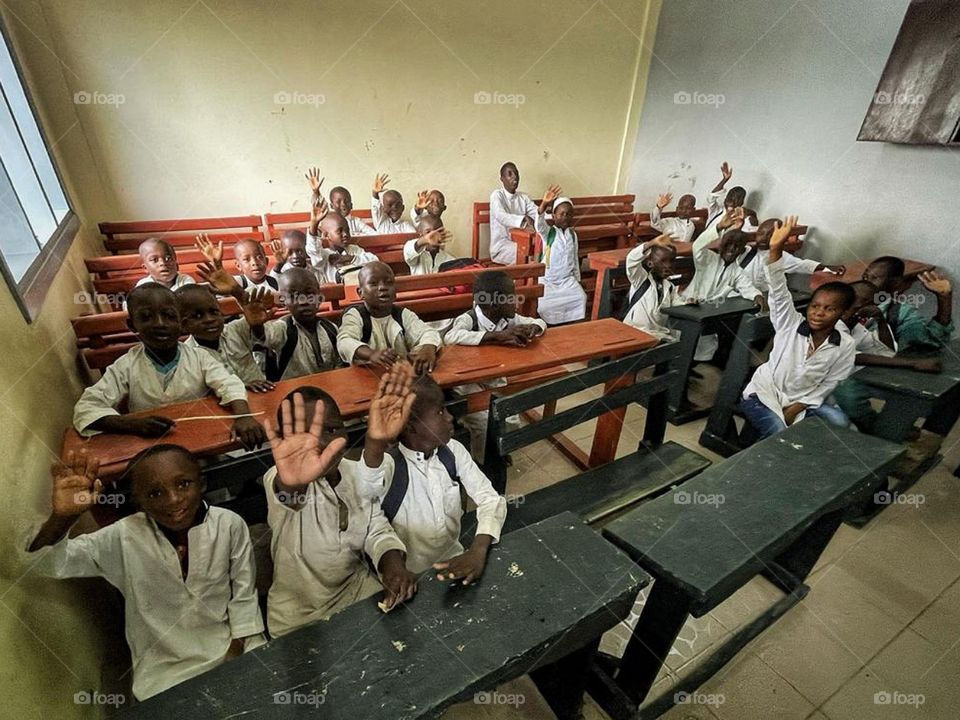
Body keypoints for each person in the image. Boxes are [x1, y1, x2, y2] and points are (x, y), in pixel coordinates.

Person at [26, 446, 265, 699]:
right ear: (138, 501)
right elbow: (45, 563)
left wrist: (235, 657)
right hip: (163, 674)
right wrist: (61, 518)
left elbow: (244, 596)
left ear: (202, 483)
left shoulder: (228, 524)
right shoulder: (124, 536)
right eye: (155, 493)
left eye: (183, 484)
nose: (173, 499)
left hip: (233, 651)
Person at [261, 387, 417, 635]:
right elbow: (287, 495)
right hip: (300, 615)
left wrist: (393, 566)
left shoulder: (355, 474)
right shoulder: (281, 480)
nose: (323, 442)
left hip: (356, 592)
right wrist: (292, 482)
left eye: (333, 430)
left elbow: (376, 527)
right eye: (307, 434)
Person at [357, 363, 507, 580]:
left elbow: (490, 499)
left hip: (455, 561)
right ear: (410, 427)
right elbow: (364, 503)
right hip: (404, 577)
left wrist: (477, 551)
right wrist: (373, 445)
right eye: (439, 411)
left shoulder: (453, 452)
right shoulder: (388, 465)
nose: (449, 417)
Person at [73, 283, 266, 448]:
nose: (160, 324)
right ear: (132, 326)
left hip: (201, 437)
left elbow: (229, 384)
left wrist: (243, 417)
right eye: (147, 317)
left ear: (180, 323)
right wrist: (131, 424)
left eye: (169, 316)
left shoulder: (199, 357)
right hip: (150, 444)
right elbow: (87, 407)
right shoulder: (126, 365)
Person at [740, 217, 857, 439]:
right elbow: (777, 289)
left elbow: (832, 381)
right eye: (814, 306)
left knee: (840, 422)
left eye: (829, 309)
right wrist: (775, 249)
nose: (818, 313)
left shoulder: (845, 345)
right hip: (764, 394)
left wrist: (799, 406)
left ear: (842, 313)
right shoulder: (789, 324)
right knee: (780, 435)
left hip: (803, 401)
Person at [833, 267, 952, 433]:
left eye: (874, 278)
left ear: (896, 285)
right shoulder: (840, 306)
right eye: (866, 275)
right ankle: (873, 430)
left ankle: (882, 434)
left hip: (878, 373)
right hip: (835, 374)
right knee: (844, 399)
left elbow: (927, 341)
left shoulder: (897, 311)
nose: (867, 280)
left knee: (909, 400)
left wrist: (944, 299)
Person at [444, 270, 546, 458]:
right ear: (493, 303)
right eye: (511, 296)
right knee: (483, 422)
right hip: (468, 387)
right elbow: (451, 336)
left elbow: (538, 321)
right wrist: (497, 335)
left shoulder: (509, 318)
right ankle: (481, 462)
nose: (516, 300)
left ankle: (500, 453)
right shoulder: (470, 319)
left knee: (510, 419)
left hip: (495, 382)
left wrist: (535, 327)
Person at [336, 262, 442, 374]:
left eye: (389, 283)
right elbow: (344, 341)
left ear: (395, 291)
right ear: (360, 293)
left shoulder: (402, 314)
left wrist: (428, 347)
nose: (382, 288)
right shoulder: (355, 315)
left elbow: (428, 332)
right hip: (367, 376)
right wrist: (371, 354)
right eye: (373, 283)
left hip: (401, 376)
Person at [174, 284, 273, 390]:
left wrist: (257, 326)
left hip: (262, 394)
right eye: (198, 316)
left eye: (214, 312)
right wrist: (240, 387)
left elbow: (262, 337)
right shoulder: (186, 356)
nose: (209, 319)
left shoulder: (235, 329)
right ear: (183, 325)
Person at [737, 218, 845, 293]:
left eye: (771, 235)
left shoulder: (779, 256)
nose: (764, 238)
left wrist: (829, 268)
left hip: (755, 298)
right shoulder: (746, 249)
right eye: (761, 233)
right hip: (733, 292)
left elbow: (803, 265)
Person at [534, 190, 588, 324]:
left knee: (581, 297)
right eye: (562, 214)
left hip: (567, 280)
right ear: (554, 215)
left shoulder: (572, 235)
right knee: (546, 305)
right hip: (549, 281)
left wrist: (577, 280)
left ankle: (569, 326)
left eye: (569, 214)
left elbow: (574, 259)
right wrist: (544, 204)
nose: (565, 217)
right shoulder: (549, 232)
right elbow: (539, 225)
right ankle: (551, 326)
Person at [622, 234, 685, 341]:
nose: (668, 266)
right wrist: (651, 243)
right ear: (650, 263)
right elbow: (631, 259)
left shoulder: (670, 287)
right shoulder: (641, 280)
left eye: (672, 261)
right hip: (635, 331)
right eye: (663, 261)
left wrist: (687, 303)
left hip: (658, 334)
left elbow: (678, 306)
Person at [307, 196, 378, 284]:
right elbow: (313, 250)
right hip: (338, 294)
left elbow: (374, 260)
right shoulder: (323, 256)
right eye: (339, 231)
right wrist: (314, 224)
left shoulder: (354, 249)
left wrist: (350, 258)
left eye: (347, 230)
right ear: (326, 235)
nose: (345, 234)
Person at [488, 161, 541, 265]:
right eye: (510, 174)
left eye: (516, 173)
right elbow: (500, 216)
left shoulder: (523, 197)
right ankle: (522, 281)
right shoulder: (497, 195)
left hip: (522, 242)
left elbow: (536, 213)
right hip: (502, 247)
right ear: (502, 179)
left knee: (540, 251)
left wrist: (552, 216)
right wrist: (523, 219)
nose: (514, 177)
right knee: (531, 255)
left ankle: (534, 280)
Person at [703, 162, 756, 232]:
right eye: (730, 198)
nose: (732, 202)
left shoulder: (742, 220)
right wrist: (724, 180)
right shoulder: (717, 211)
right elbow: (711, 198)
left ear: (742, 203)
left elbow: (749, 231)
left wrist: (752, 215)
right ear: (725, 199)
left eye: (737, 199)